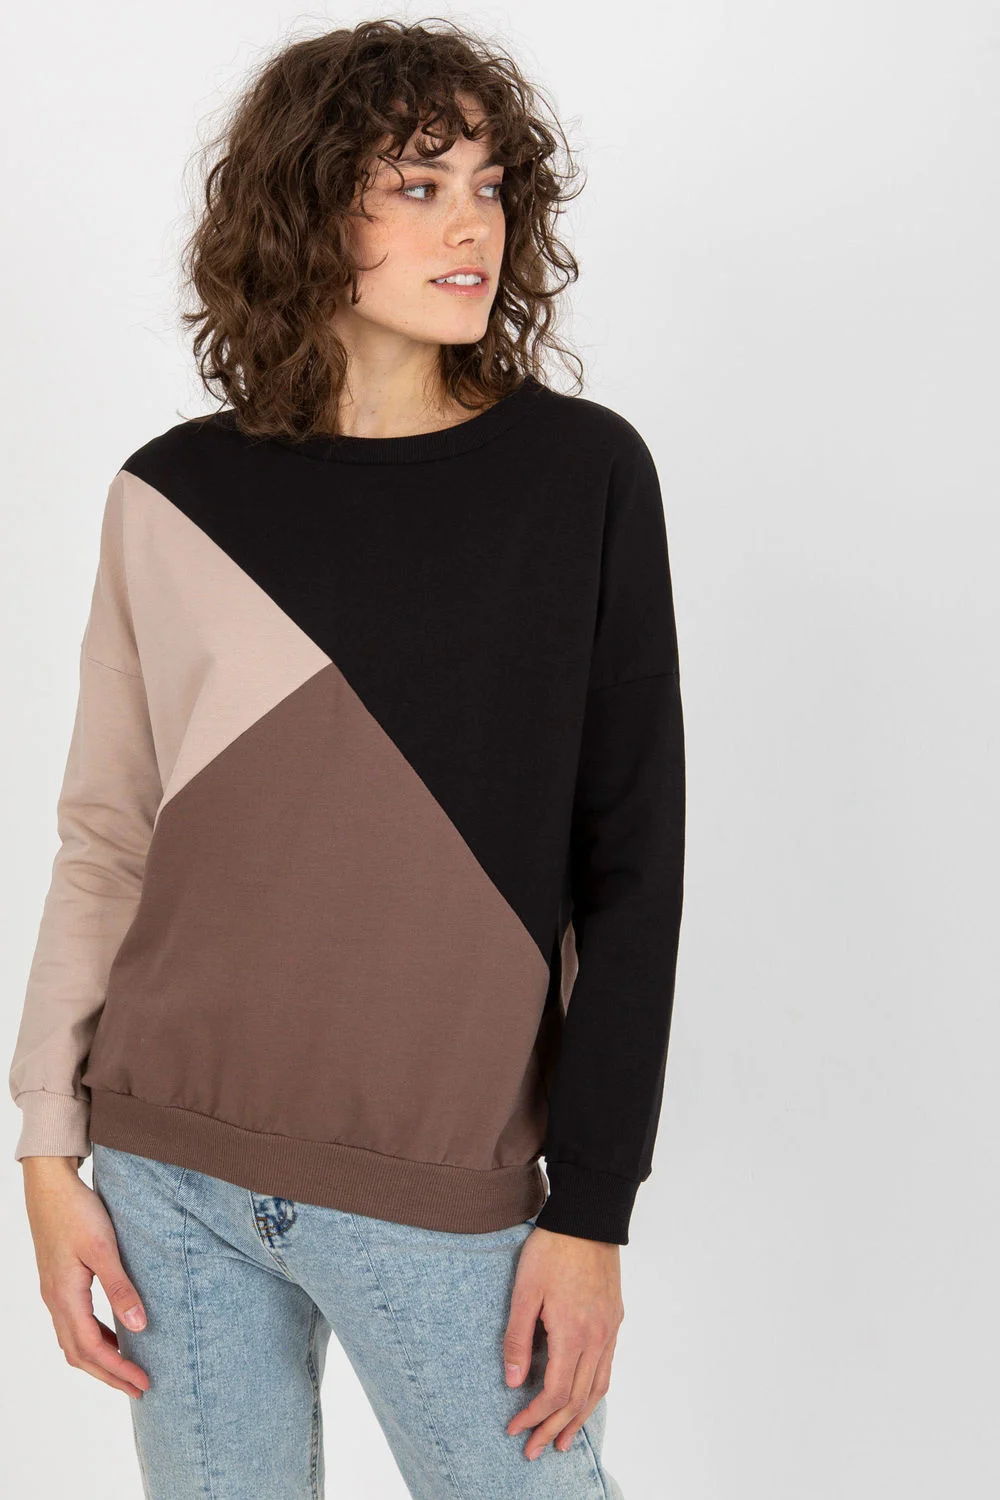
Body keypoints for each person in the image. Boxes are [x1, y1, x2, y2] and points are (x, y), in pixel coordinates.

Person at [9, 18, 685, 1499]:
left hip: (438, 1189)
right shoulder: (168, 496)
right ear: (308, 210)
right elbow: (107, 834)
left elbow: (631, 869)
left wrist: (593, 1212)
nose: (473, 226)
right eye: (418, 186)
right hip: (165, 1176)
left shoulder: (580, 475)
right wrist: (48, 1156)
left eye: (491, 186)